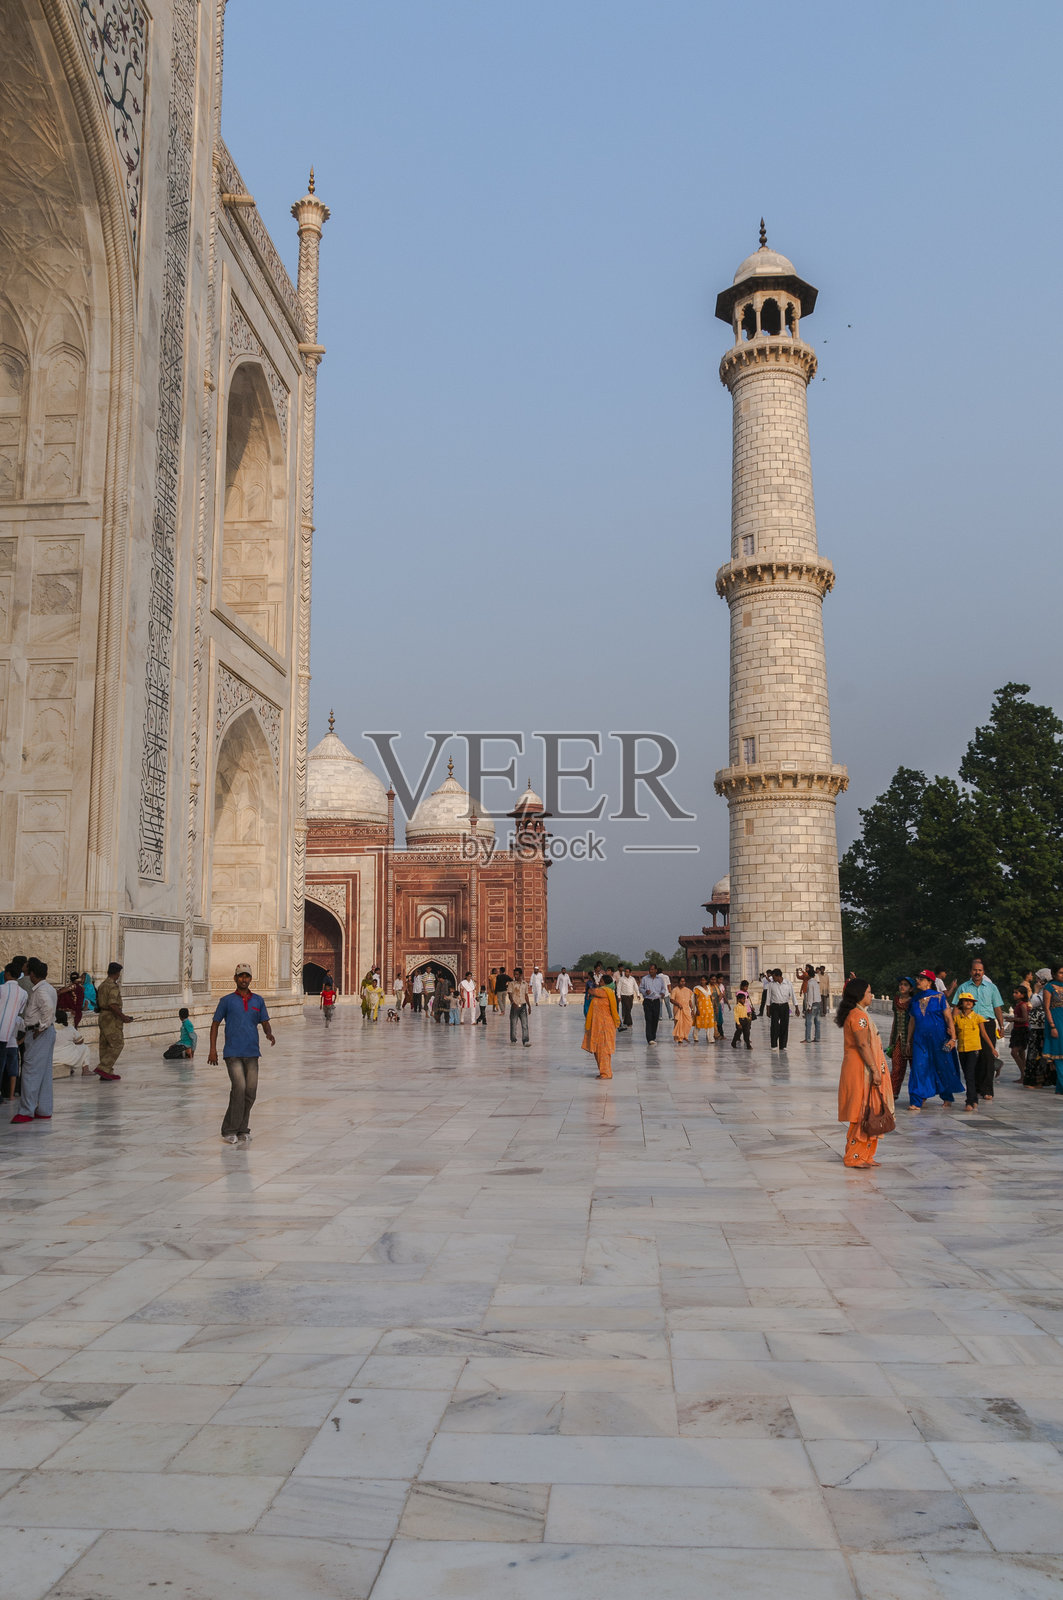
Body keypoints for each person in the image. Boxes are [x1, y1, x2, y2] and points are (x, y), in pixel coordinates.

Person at [208, 964, 275, 1144]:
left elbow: (264, 1021)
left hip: (252, 1052)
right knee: (239, 1089)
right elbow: (215, 1024)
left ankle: (242, 1129)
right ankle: (229, 1130)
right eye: (240, 976)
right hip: (233, 1052)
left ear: (251, 979)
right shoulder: (226, 1001)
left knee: (250, 1092)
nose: (244, 979)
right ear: (235, 978)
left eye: (247, 976)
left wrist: (269, 1033)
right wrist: (212, 1049)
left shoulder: (258, 1001)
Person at [836, 975, 893, 1169]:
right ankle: (854, 1156)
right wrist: (875, 1070)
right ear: (860, 995)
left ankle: (867, 1154)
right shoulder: (858, 1016)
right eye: (869, 992)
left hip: (863, 1067)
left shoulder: (859, 1013)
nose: (871, 995)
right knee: (863, 1111)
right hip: (861, 1069)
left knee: (872, 1110)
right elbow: (862, 1044)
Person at [947, 959, 1005, 1096]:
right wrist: (953, 1027)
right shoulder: (964, 987)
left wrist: (1002, 1026)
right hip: (967, 1025)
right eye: (974, 970)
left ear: (983, 972)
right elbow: (956, 1008)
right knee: (972, 1058)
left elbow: (997, 1008)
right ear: (970, 971)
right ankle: (976, 1088)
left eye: (980, 970)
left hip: (987, 1023)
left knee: (987, 1057)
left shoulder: (992, 988)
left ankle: (987, 1090)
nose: (977, 972)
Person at [906, 970, 962, 1111]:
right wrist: (908, 1041)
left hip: (939, 1038)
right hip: (920, 1039)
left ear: (929, 982)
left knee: (942, 1066)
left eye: (922, 978)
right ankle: (917, 1099)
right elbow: (912, 1021)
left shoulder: (939, 997)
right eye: (918, 978)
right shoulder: (915, 999)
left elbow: (949, 1018)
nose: (918, 980)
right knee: (919, 1068)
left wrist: (953, 1038)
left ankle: (947, 1096)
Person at [12, 958, 58, 1123]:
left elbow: (48, 1009)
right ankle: (44, 1109)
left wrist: (41, 1027)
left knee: (30, 1072)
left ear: (32, 974)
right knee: (44, 1072)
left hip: (40, 1033)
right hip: (45, 1033)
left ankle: (26, 1111)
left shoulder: (40, 991)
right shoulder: (48, 987)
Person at [953, 990, 998, 1111]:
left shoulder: (978, 1018)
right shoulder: (957, 1019)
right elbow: (955, 1034)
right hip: (962, 1050)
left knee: (969, 1074)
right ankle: (973, 1099)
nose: (968, 1003)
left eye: (970, 1001)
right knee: (968, 1075)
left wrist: (992, 1048)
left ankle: (970, 1101)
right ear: (961, 1003)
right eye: (965, 1001)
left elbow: (984, 1034)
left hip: (974, 1049)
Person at [95, 962, 132, 1081]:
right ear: (116, 973)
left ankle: (107, 1072)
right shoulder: (112, 986)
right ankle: (104, 1067)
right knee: (117, 1043)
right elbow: (112, 1004)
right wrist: (123, 1017)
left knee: (105, 1044)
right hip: (111, 1018)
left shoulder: (102, 985)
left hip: (102, 1016)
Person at [0, 961, 28, 1101]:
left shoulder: (1, 989)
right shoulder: (23, 994)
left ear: (8, 974)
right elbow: (19, 1012)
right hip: (10, 1034)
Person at [582, 975, 619, 1078]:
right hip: (598, 1025)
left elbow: (591, 991)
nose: (599, 983)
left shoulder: (606, 991)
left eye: (601, 981)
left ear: (606, 983)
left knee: (603, 1050)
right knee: (598, 1049)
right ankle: (604, 1071)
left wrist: (592, 985)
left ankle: (606, 1073)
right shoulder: (603, 991)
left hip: (605, 1025)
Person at [887, 977, 914, 1098]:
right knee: (897, 1066)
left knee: (915, 1068)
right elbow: (895, 1020)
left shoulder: (913, 1001)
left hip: (912, 1039)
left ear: (911, 988)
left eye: (905, 985)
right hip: (898, 1038)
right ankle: (893, 1092)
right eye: (901, 984)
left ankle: (917, 1095)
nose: (902, 987)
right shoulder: (896, 1000)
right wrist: (891, 1039)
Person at [760, 969, 797, 1049]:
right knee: (774, 1026)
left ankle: (783, 1045)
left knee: (784, 1025)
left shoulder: (788, 983)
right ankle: (774, 1045)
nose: (772, 978)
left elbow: (793, 995)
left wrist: (796, 1007)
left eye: (773, 977)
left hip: (784, 1006)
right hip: (775, 1006)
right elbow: (768, 997)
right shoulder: (771, 985)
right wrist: (767, 1009)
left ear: (778, 976)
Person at [1043, 964, 1063, 1094]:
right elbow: (1047, 1008)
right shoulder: (1049, 987)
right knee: (1059, 1055)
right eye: (1061, 972)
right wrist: (1052, 1026)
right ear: (1054, 974)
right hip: (1056, 1021)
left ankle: (1060, 1087)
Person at [53, 1009, 90, 1076]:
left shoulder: (50, 1028)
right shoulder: (70, 1027)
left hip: (52, 1057)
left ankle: (71, 1069)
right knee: (84, 1048)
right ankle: (86, 1070)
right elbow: (80, 1041)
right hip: (68, 1057)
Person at [639, 964, 667, 1045]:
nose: (650, 971)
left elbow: (663, 988)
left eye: (652, 969)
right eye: (650, 969)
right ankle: (649, 1038)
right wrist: (645, 991)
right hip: (648, 1001)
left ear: (656, 970)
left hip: (656, 1001)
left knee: (655, 1019)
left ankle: (653, 1036)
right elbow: (640, 988)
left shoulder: (660, 979)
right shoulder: (645, 979)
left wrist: (662, 993)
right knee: (648, 1019)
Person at [1009, 986, 1031, 1081]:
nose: (1014, 994)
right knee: (1021, 1053)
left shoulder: (1022, 1005)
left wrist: (1013, 1019)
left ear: (1022, 995)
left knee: (1014, 1052)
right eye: (1014, 992)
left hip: (1021, 1030)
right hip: (1017, 1029)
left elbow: (1025, 1019)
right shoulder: (1018, 1004)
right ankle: (1023, 1075)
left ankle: (1024, 1073)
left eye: (1016, 993)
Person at [508, 967, 531, 1046]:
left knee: (525, 1024)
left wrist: (529, 1006)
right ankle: (513, 1040)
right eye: (514, 974)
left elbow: (526, 995)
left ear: (521, 975)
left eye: (517, 974)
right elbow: (510, 994)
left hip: (523, 1006)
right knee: (513, 1024)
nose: (515, 976)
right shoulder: (512, 984)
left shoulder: (525, 984)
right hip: (515, 1006)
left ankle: (525, 1040)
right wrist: (512, 1003)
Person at [802, 965, 822, 1043]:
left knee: (808, 1022)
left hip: (813, 1004)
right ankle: (817, 1038)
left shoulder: (810, 984)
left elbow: (810, 996)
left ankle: (808, 1038)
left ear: (808, 976)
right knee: (817, 1022)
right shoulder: (816, 983)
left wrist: (809, 1007)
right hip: (818, 1003)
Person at [671, 975, 693, 1043]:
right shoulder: (675, 990)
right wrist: (678, 1004)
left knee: (688, 1023)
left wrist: (692, 1009)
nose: (682, 983)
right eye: (681, 981)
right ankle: (679, 1038)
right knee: (679, 1023)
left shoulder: (688, 990)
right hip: (678, 1009)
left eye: (684, 981)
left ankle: (685, 1036)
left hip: (686, 1009)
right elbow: (671, 1000)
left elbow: (690, 1001)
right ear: (678, 982)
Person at [691, 977, 714, 1043]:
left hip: (709, 1008)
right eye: (701, 980)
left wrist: (713, 1006)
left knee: (710, 1023)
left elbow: (710, 998)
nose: (702, 981)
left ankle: (710, 1038)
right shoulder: (697, 989)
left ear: (706, 981)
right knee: (699, 1022)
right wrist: (697, 1009)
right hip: (701, 1008)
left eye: (703, 980)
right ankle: (695, 1036)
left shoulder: (709, 988)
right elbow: (695, 999)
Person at [731, 984, 753, 1049]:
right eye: (743, 999)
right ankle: (733, 1042)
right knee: (738, 1033)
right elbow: (736, 1016)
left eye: (744, 999)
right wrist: (738, 1023)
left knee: (747, 1032)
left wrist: (748, 1018)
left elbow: (745, 1014)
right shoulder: (736, 1007)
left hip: (745, 1020)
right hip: (740, 1021)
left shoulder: (745, 1007)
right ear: (739, 1000)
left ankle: (748, 1044)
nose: (744, 1000)